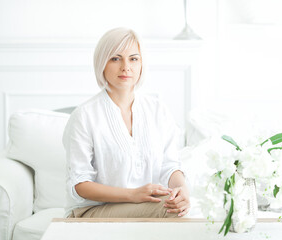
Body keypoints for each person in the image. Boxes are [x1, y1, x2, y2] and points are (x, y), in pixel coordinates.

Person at [62, 27, 190, 218]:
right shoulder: (84, 115)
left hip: (144, 206)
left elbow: (169, 165)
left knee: (180, 207)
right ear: (102, 63)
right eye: (115, 58)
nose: (126, 67)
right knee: (168, 210)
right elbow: (80, 184)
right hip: (92, 210)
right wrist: (133, 195)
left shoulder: (158, 110)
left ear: (141, 64)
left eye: (133, 58)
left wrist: (181, 189)